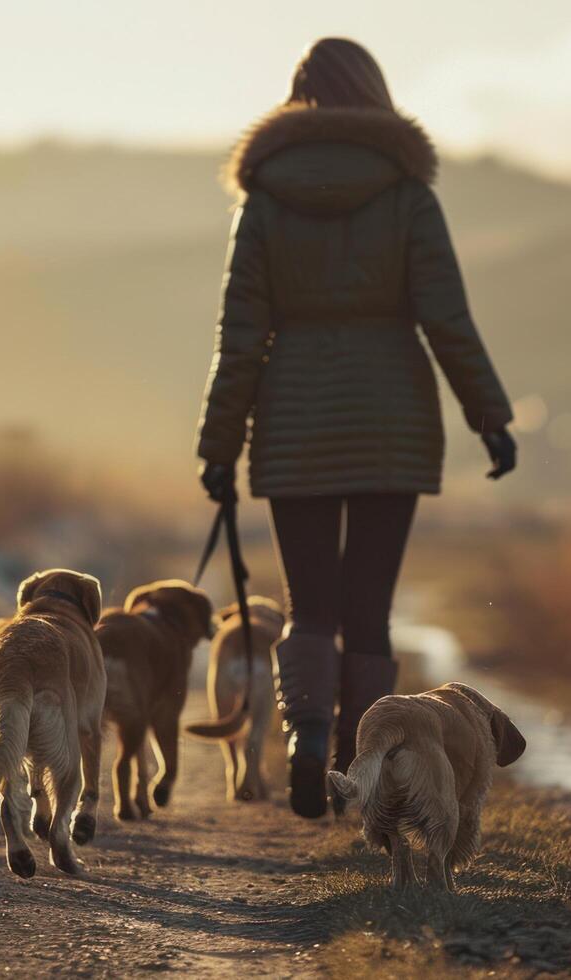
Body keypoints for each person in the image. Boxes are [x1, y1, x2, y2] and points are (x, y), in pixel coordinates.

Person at [194, 37, 516, 819]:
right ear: (374, 95)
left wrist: (217, 447)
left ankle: (305, 738)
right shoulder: (408, 195)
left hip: (293, 419)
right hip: (392, 422)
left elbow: (240, 335)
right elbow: (445, 318)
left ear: (297, 101)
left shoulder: (263, 200)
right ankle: (355, 760)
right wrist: (489, 415)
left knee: (310, 603)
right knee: (368, 604)